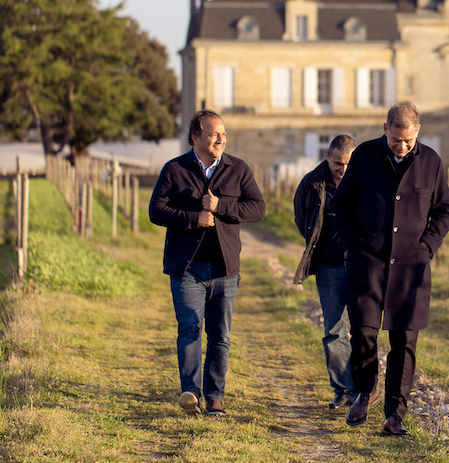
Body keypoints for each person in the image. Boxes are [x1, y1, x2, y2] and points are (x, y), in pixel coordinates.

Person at [332, 102, 449, 437]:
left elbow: (445, 211)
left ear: (418, 132)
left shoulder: (431, 162)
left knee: (404, 340)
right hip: (367, 262)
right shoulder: (365, 156)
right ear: (385, 128)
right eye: (396, 139)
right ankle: (363, 392)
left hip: (411, 269)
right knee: (364, 332)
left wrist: (426, 246)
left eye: (408, 141)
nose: (401, 146)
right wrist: (354, 242)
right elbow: (340, 202)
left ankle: (394, 414)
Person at [149, 109, 266, 416]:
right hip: (188, 268)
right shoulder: (174, 169)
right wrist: (193, 218)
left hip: (225, 268)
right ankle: (190, 391)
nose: (220, 139)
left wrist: (221, 207)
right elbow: (156, 210)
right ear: (195, 137)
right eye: (214, 134)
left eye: (223, 134)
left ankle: (215, 396)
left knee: (220, 335)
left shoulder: (238, 169)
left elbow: (257, 208)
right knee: (189, 327)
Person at [292, 134, 357, 410]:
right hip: (328, 266)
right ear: (328, 156)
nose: (342, 170)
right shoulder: (312, 182)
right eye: (338, 164)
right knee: (334, 328)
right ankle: (342, 390)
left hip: (360, 265)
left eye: (347, 164)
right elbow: (300, 216)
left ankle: (363, 390)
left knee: (364, 329)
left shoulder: (363, 181)